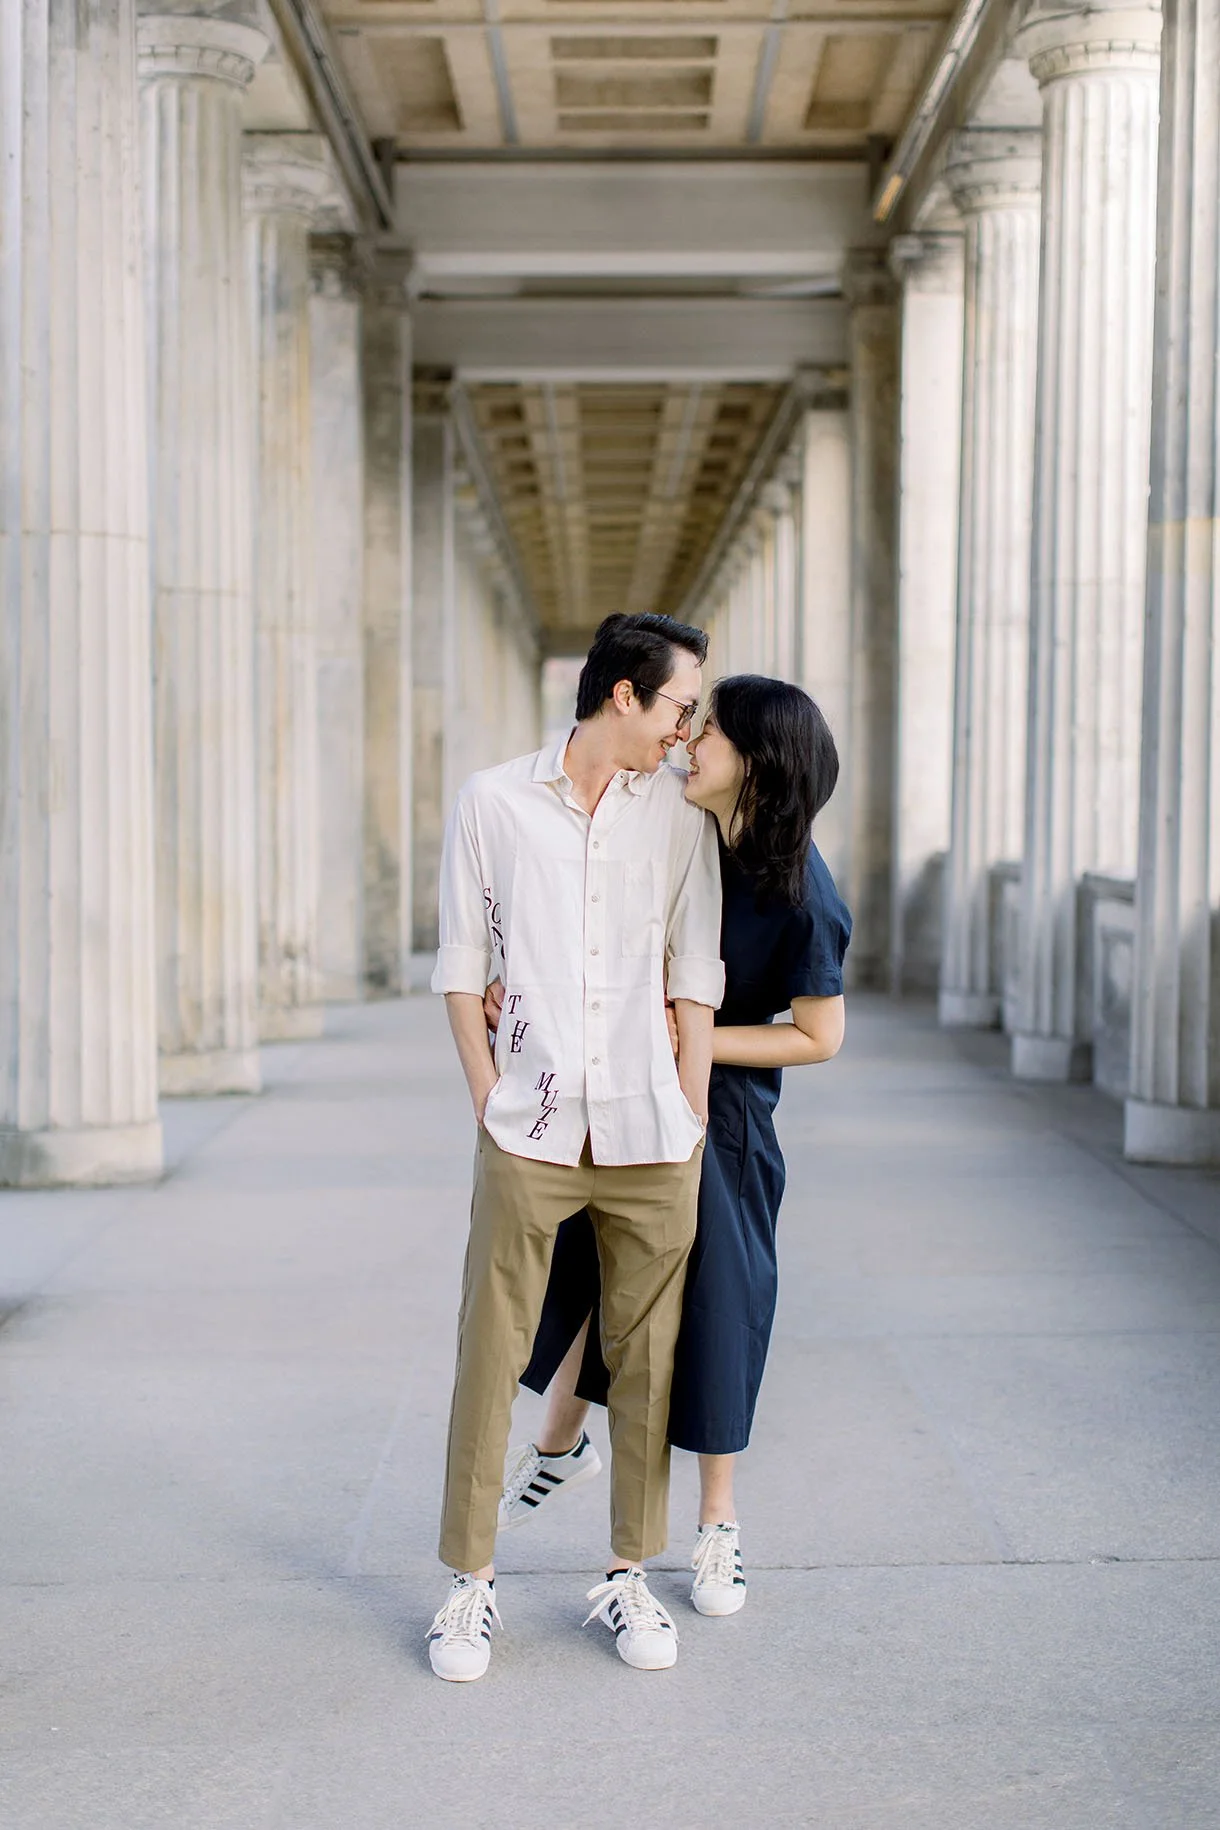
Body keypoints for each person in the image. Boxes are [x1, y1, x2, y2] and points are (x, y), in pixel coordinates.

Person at [493, 675, 851, 1619]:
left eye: (712, 731)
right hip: (622, 1090)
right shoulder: (678, 826)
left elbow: (819, 1036)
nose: (689, 740)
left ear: (760, 765)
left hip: (726, 1121)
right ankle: (562, 1446)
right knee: (593, 1273)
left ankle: (719, 1528)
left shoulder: (805, 889)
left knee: (720, 1314)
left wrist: (690, 1034)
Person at [427, 612, 725, 1682]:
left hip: (653, 1128)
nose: (686, 732)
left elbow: (695, 968)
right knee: (491, 1345)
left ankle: (626, 1575)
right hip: (532, 1122)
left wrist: (686, 1108)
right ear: (622, 696)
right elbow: (462, 963)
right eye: (679, 706)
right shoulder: (492, 801)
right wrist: (485, 1095)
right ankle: (469, 1585)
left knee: (645, 1356)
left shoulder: (678, 816)